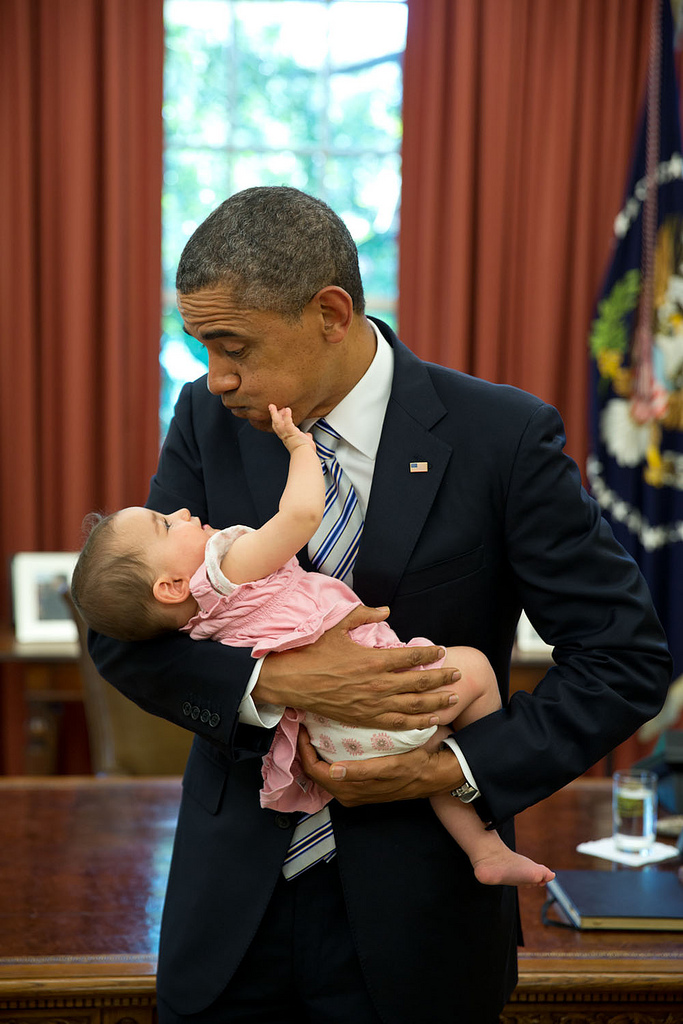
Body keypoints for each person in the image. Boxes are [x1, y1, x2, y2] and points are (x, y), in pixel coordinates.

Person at [89, 186, 672, 1024]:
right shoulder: (205, 421)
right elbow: (125, 632)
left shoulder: (500, 438)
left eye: (232, 345)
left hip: (423, 921)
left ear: (330, 312)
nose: (214, 377)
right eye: (199, 346)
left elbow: (624, 659)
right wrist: (281, 683)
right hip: (228, 925)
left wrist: (452, 770)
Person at [72, 403, 555, 890]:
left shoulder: (192, 622)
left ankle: (483, 850)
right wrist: (301, 448)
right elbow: (300, 515)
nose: (179, 512)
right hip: (383, 699)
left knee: (431, 751)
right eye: (165, 525)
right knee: (473, 672)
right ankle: (484, 810)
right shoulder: (223, 571)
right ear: (173, 587)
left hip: (331, 743)